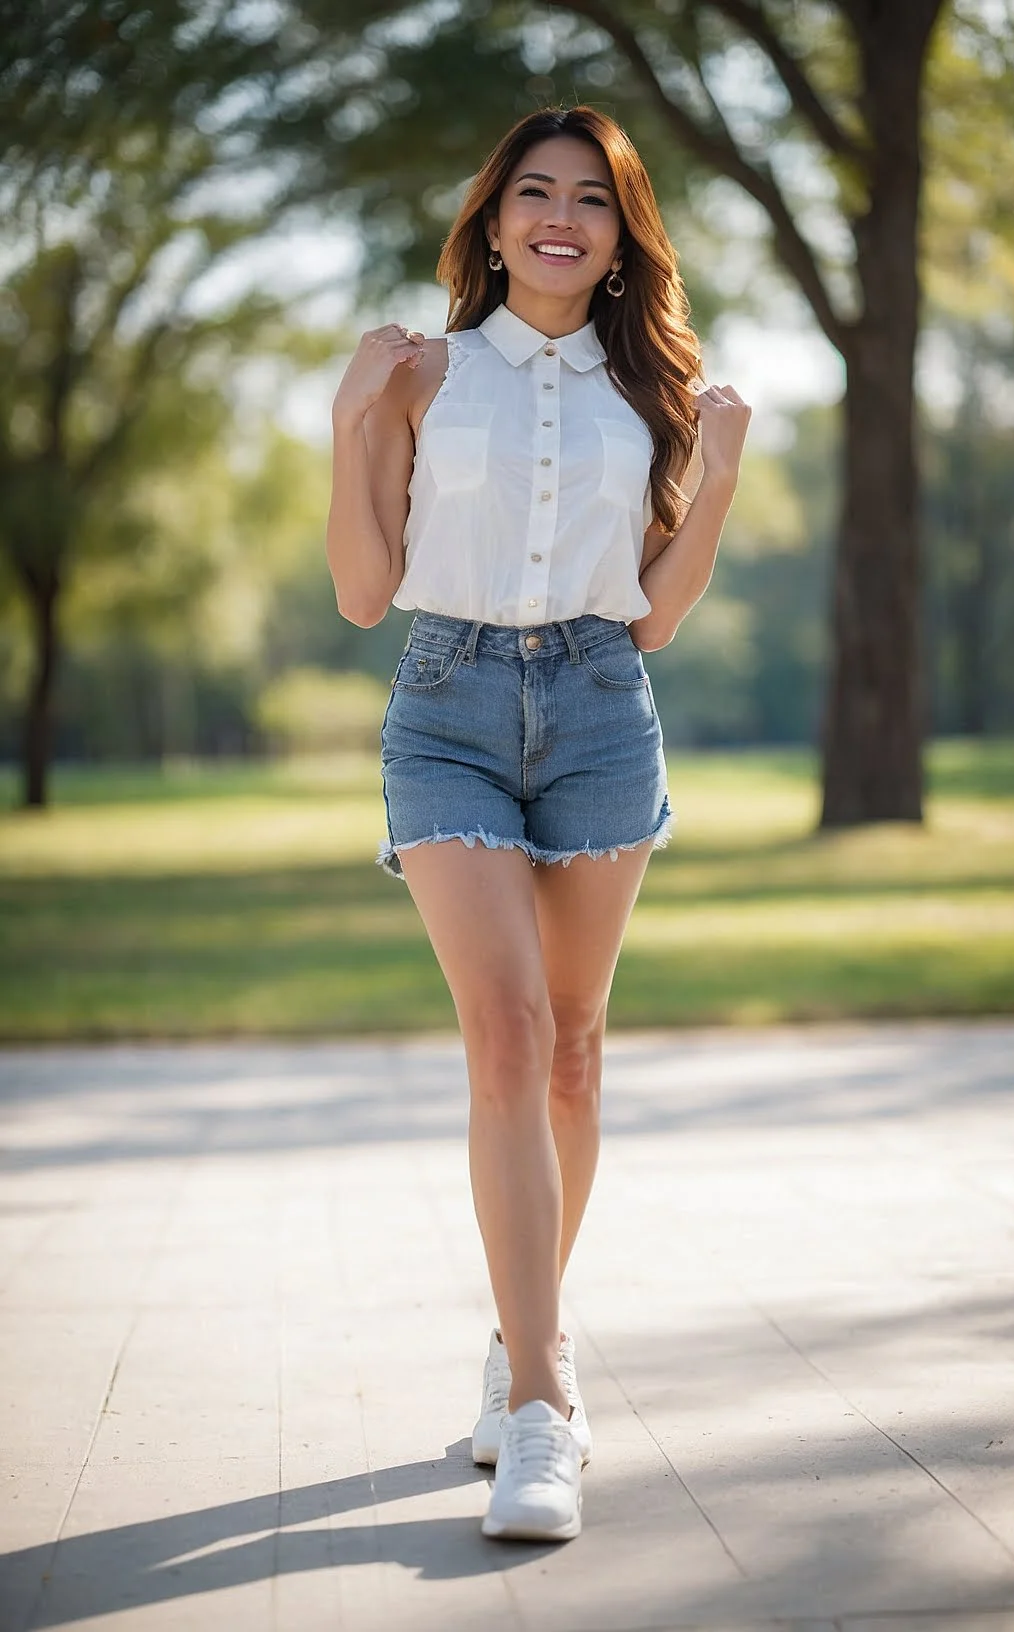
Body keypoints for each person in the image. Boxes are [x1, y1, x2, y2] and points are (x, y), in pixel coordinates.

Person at [326, 105, 750, 1544]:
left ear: (625, 237)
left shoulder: (656, 393)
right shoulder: (419, 374)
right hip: (444, 704)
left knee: (571, 1052)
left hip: (598, 704)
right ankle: (547, 1409)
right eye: (532, 193)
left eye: (591, 200)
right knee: (504, 1033)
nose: (558, 216)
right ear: (491, 220)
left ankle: (517, 1344)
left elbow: (664, 614)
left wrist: (727, 466)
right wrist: (348, 420)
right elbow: (363, 591)